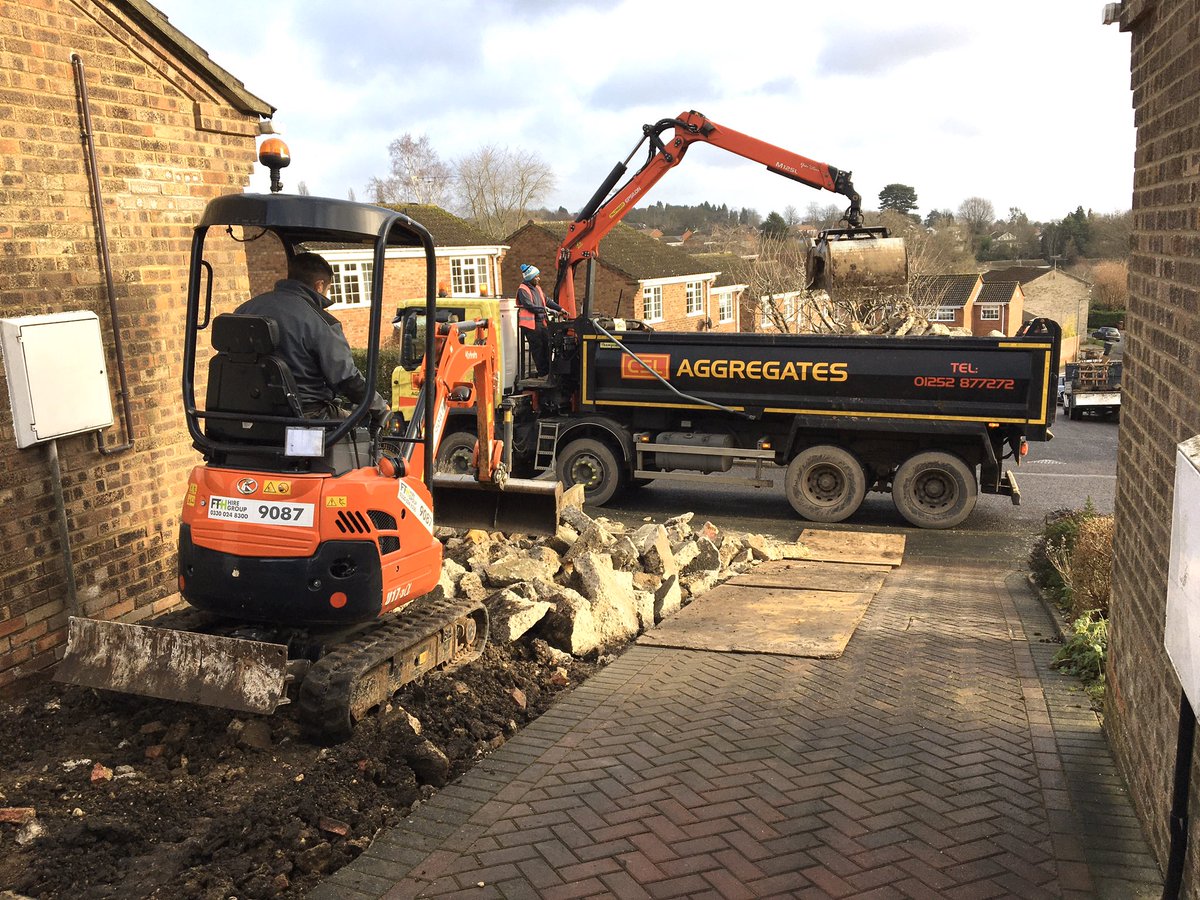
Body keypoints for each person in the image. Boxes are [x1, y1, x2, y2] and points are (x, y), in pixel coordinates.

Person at [236, 252, 388, 424]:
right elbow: (346, 378)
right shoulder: (321, 321)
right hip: (306, 416)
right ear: (319, 285)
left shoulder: (244, 310)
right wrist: (379, 407)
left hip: (248, 414)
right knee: (361, 430)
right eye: (328, 289)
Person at [516, 263, 565, 377]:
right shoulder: (523, 290)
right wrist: (547, 310)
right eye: (536, 276)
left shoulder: (537, 288)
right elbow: (529, 305)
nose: (539, 278)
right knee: (538, 349)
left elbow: (546, 300)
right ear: (530, 277)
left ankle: (548, 372)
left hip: (541, 322)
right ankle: (543, 373)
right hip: (531, 325)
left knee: (547, 346)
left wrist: (560, 308)